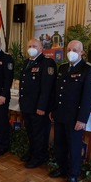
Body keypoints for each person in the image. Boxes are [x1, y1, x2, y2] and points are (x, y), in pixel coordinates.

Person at [49, 40, 91, 182]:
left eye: (75, 50)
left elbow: (88, 97)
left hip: (75, 117)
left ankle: (73, 174)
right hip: (60, 114)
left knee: (74, 147)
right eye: (69, 49)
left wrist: (82, 119)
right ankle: (62, 168)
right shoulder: (63, 68)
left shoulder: (89, 69)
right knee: (59, 144)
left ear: (82, 52)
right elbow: (57, 92)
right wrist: (53, 110)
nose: (71, 52)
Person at [19, 39, 57, 168]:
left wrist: (42, 106)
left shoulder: (47, 63)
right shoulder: (27, 62)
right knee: (31, 132)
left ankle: (39, 157)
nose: (31, 48)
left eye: (34, 46)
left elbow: (47, 88)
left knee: (39, 134)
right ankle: (32, 153)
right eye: (29, 46)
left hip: (38, 107)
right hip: (28, 106)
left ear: (41, 48)